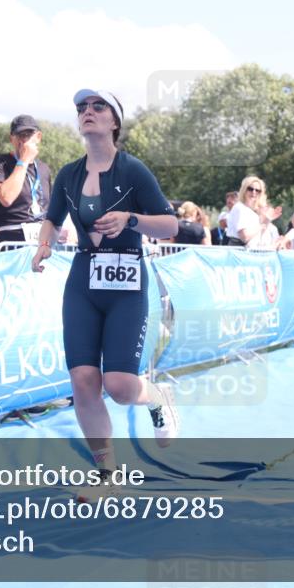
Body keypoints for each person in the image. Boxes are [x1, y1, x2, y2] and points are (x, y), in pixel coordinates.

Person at [31, 88, 180, 485]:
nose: (88, 111)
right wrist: (44, 244)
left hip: (127, 282)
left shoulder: (133, 170)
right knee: (83, 381)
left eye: (98, 106)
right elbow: (52, 218)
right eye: (82, 107)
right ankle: (107, 472)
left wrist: (131, 219)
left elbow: (170, 225)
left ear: (115, 121)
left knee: (120, 386)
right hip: (83, 279)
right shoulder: (69, 174)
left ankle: (158, 397)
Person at [0, 114, 53, 249]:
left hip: (40, 241)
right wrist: (24, 160)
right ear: (11, 139)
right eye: (19, 135)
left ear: (38, 137)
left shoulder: (44, 169)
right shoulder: (0, 162)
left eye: (28, 135)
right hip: (11, 239)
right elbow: (6, 198)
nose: (23, 140)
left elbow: (50, 208)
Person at [226, 176, 281, 248]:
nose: (254, 192)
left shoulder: (252, 212)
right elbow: (245, 237)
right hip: (238, 250)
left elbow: (258, 237)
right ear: (244, 190)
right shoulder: (240, 208)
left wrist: (267, 220)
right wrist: (262, 224)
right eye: (250, 189)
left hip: (250, 250)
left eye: (257, 190)